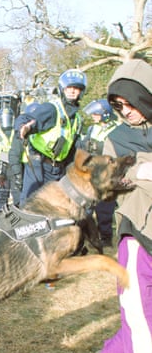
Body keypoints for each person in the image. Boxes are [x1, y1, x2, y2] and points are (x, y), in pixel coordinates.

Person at [85, 58, 152, 353]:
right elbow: (109, 179)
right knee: (142, 328)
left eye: (130, 102)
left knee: (144, 326)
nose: (125, 110)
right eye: (117, 104)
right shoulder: (119, 138)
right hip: (137, 241)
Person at [18, 69, 87, 206]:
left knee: (54, 205)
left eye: (77, 88)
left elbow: (74, 147)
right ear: (62, 89)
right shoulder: (51, 109)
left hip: (58, 168)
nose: (73, 91)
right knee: (30, 203)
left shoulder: (77, 119)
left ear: (81, 92)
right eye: (69, 88)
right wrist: (24, 127)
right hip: (38, 164)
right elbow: (26, 118)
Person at [79, 99, 119, 247]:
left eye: (96, 113)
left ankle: (106, 237)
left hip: (107, 175)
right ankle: (87, 235)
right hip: (92, 172)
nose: (94, 116)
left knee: (104, 208)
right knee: (87, 205)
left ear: (105, 114)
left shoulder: (116, 129)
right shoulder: (92, 129)